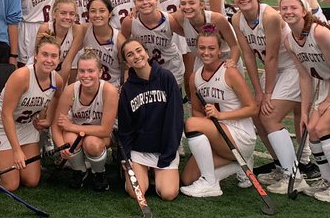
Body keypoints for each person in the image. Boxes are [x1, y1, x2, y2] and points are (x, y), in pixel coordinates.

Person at [232, 0, 313, 193]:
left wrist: (266, 93)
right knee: (257, 114)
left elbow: (273, 57)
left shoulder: (268, 16)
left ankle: (294, 176)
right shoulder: (236, 19)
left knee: (269, 115)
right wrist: (258, 92)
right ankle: (281, 165)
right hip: (275, 71)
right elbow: (248, 57)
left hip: (294, 68)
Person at [280, 0, 330, 203]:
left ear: (304, 11)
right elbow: (305, 77)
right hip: (325, 84)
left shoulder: (320, 33)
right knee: (311, 131)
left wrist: (328, 101)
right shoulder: (289, 40)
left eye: (293, 7)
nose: (288, 11)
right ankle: (327, 180)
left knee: (323, 129)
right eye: (284, 8)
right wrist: (304, 111)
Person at [179, 29, 259, 198]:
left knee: (191, 123)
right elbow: (198, 111)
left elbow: (252, 108)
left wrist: (222, 116)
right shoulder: (194, 77)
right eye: (202, 48)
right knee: (187, 179)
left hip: (240, 135)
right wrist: (206, 134)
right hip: (218, 136)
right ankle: (242, 164)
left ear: (220, 49)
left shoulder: (230, 72)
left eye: (211, 48)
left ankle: (210, 183)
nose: (206, 52)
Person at [0, 34, 64, 192]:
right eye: (45, 54)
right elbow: (6, 114)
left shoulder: (57, 80)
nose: (49, 60)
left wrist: (48, 119)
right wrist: (16, 150)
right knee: (11, 184)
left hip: (25, 126)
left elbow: (57, 98)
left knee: (31, 180)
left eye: (54, 56)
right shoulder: (21, 76)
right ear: (36, 56)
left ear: (59, 59)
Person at [117, 38, 184, 201]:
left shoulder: (166, 77)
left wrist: (168, 153)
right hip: (139, 150)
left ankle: (157, 174)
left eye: (139, 51)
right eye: (130, 54)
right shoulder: (127, 89)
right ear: (127, 62)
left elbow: (175, 118)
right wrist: (125, 157)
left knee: (168, 194)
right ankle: (136, 172)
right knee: (136, 193)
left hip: (163, 148)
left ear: (146, 53)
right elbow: (125, 127)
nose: (136, 56)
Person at [52, 49, 119, 191]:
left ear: (100, 72)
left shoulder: (109, 91)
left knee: (92, 143)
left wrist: (72, 127)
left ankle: (99, 173)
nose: (86, 75)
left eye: (91, 71)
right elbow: (56, 126)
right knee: (69, 142)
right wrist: (61, 147)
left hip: (101, 136)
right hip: (77, 134)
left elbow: (105, 130)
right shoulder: (70, 90)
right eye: (82, 71)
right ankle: (80, 171)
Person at [121, 0, 186, 89]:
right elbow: (122, 46)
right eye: (140, 0)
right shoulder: (129, 21)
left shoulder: (168, 19)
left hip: (171, 66)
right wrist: (128, 69)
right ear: (134, 3)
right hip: (146, 69)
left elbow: (189, 35)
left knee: (171, 101)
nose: (145, 2)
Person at [71, 0, 125, 86]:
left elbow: (126, 68)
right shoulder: (84, 30)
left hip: (111, 85)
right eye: (92, 11)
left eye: (102, 11)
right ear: (88, 14)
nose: (97, 15)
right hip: (86, 83)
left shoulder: (119, 40)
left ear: (110, 13)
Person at [40, 0, 80, 84]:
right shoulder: (45, 28)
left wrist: (60, 91)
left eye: (72, 14)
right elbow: (38, 58)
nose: (67, 17)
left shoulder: (76, 30)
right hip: (42, 68)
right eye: (63, 13)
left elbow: (67, 63)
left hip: (61, 72)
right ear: (54, 14)